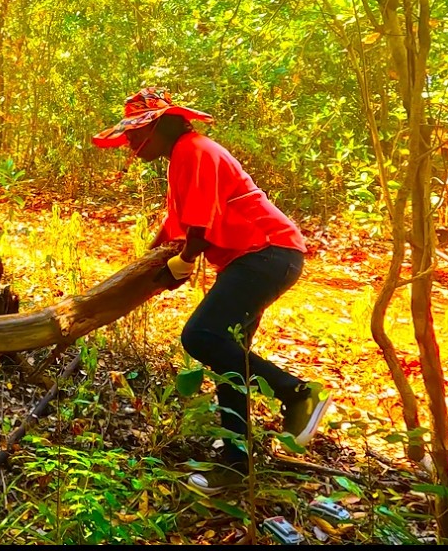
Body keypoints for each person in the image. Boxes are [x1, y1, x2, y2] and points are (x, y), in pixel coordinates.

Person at [92, 87, 331, 492]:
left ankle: (298, 394)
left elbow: (198, 231)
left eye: (134, 133)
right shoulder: (183, 157)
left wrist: (184, 263)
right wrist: (146, 267)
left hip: (267, 252)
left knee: (201, 336)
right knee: (227, 358)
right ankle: (237, 466)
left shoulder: (193, 150)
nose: (129, 142)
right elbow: (177, 227)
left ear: (158, 127)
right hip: (259, 258)